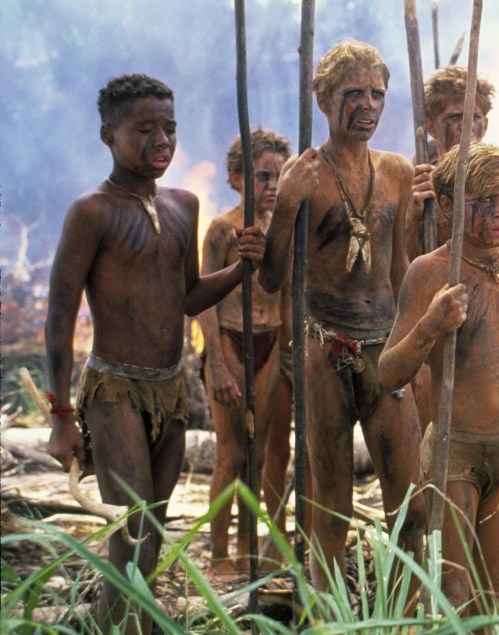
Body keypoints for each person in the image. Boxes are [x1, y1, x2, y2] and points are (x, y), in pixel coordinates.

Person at [45, 74, 266, 634]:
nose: (162, 140)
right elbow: (59, 317)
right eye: (145, 129)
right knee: (134, 531)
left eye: (169, 128)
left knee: (152, 536)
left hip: (169, 391)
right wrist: (61, 418)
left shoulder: (182, 205)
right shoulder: (90, 212)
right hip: (114, 390)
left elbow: (188, 296)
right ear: (108, 134)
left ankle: (110, 624)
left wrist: (243, 268)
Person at [257, 40, 425, 587]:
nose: (368, 105)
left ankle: (405, 617)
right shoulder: (303, 175)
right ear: (324, 98)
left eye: (377, 93)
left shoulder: (397, 172)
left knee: (410, 504)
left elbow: (401, 267)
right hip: (322, 345)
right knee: (330, 503)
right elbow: (271, 278)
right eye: (353, 94)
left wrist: (414, 343)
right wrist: (285, 206)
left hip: (385, 346)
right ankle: (327, 609)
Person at [379, 142, 499, 621]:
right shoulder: (431, 273)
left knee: (493, 593)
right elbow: (389, 372)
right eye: (484, 201)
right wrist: (430, 326)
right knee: (456, 593)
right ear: (446, 205)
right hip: (454, 452)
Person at [197, 127, 291, 579]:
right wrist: (215, 360)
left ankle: (248, 550)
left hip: (270, 346)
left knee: (256, 456)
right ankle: (218, 554)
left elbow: (287, 296)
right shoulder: (221, 229)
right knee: (231, 455)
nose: (271, 187)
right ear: (237, 178)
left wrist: (289, 349)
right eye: (261, 177)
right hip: (231, 341)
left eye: (278, 178)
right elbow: (204, 300)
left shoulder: (284, 233)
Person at [405, 65, 499, 261]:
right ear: (431, 127)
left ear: (485, 125)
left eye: (474, 117)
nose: (466, 125)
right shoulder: (419, 184)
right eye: (455, 117)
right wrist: (412, 216)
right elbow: (400, 269)